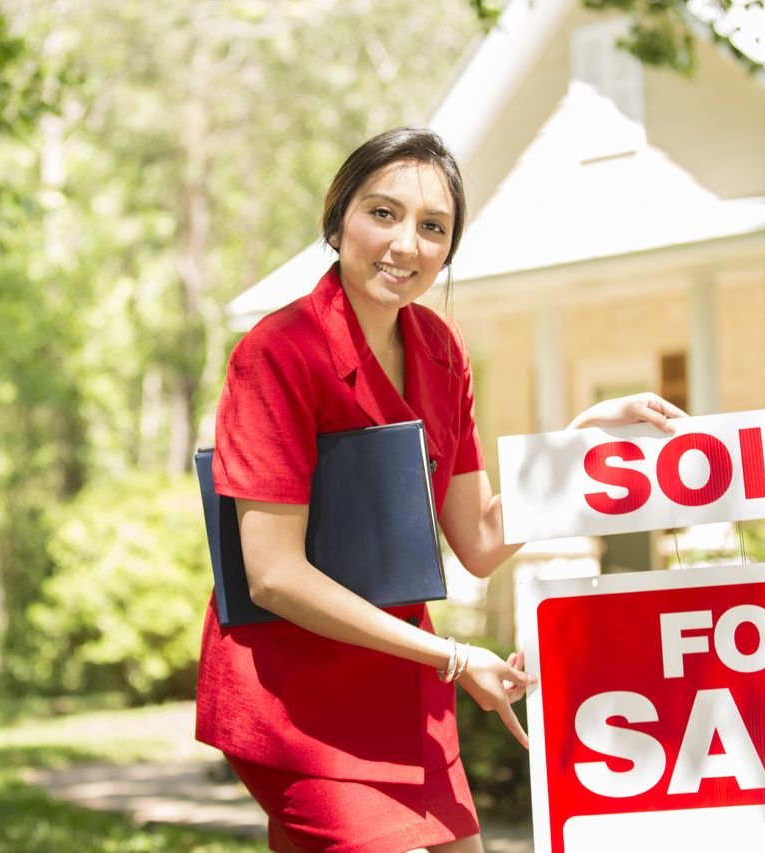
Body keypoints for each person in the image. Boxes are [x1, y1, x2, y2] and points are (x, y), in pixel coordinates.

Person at [195, 126, 684, 852]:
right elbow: (273, 576)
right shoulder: (277, 353)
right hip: (293, 696)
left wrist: (579, 442)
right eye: (382, 213)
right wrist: (455, 658)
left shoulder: (440, 350)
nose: (404, 244)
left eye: (433, 227)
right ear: (338, 218)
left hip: (402, 684)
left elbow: (481, 539)